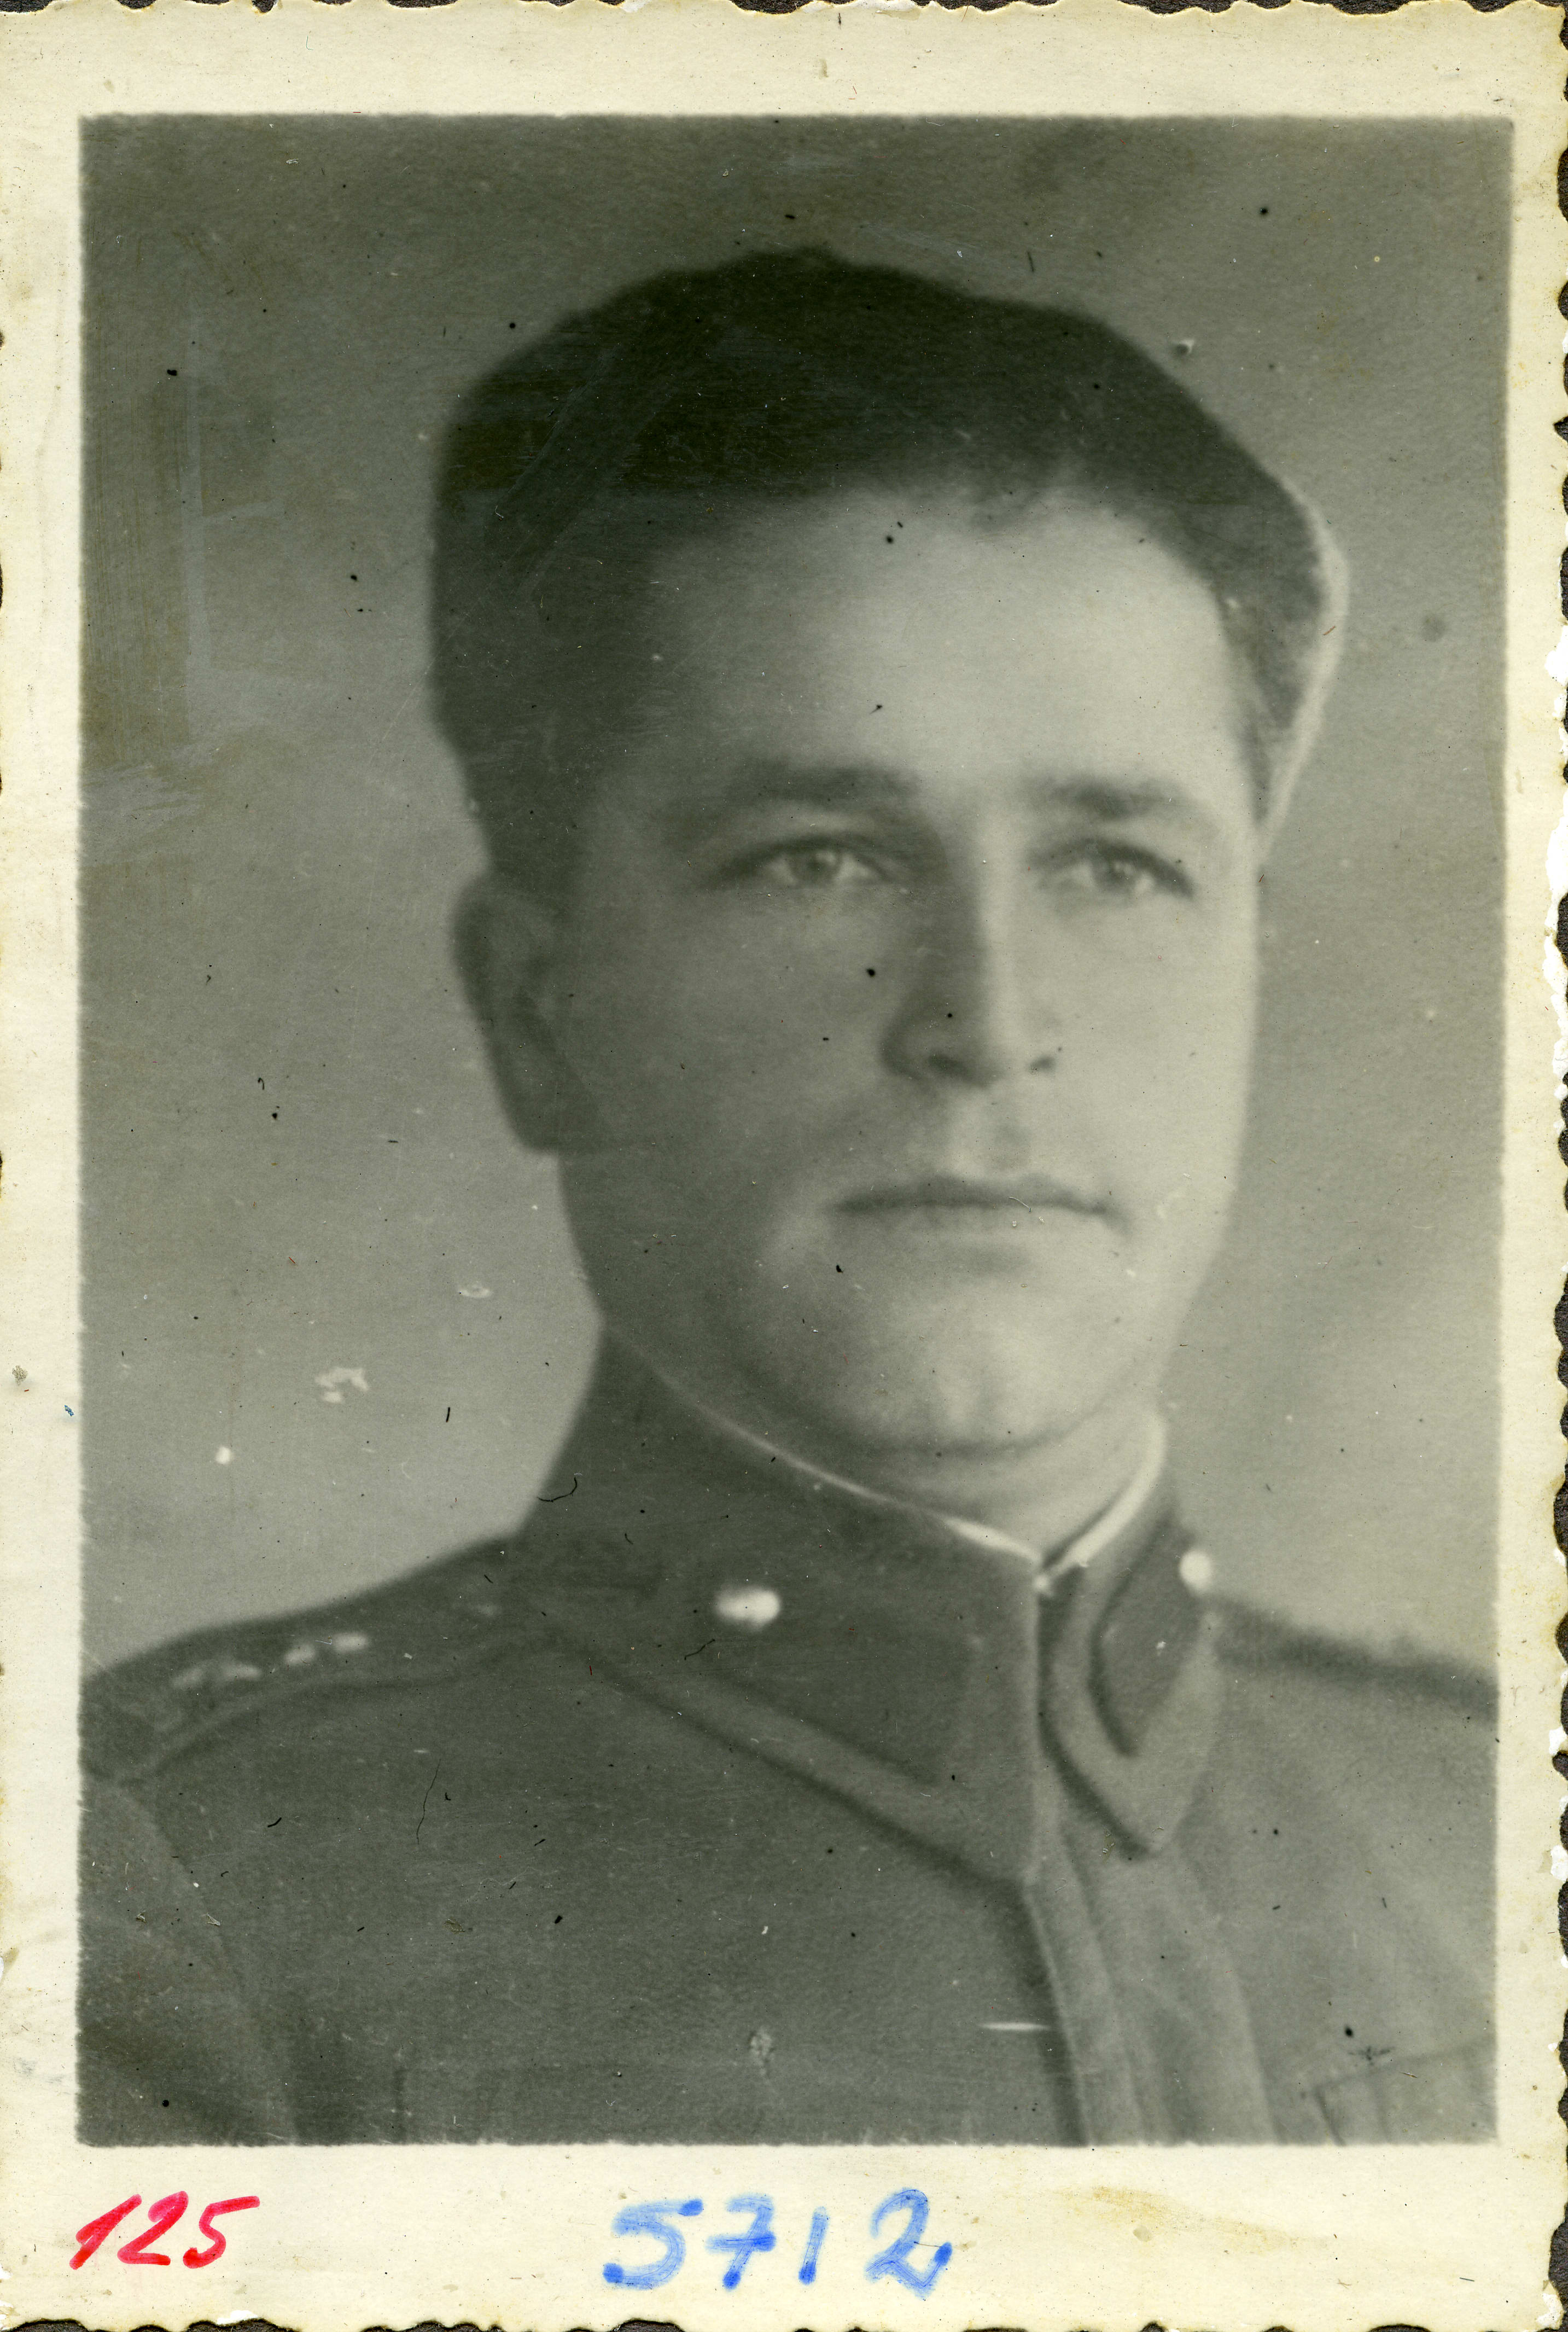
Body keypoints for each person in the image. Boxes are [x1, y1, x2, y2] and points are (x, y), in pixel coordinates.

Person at [80, 251, 1493, 2146]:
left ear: (1251, 966)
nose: (985, 1021)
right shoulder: (152, 1893)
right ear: (541, 1014)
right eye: (819, 859)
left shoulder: (1497, 1830)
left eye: (1114, 865)